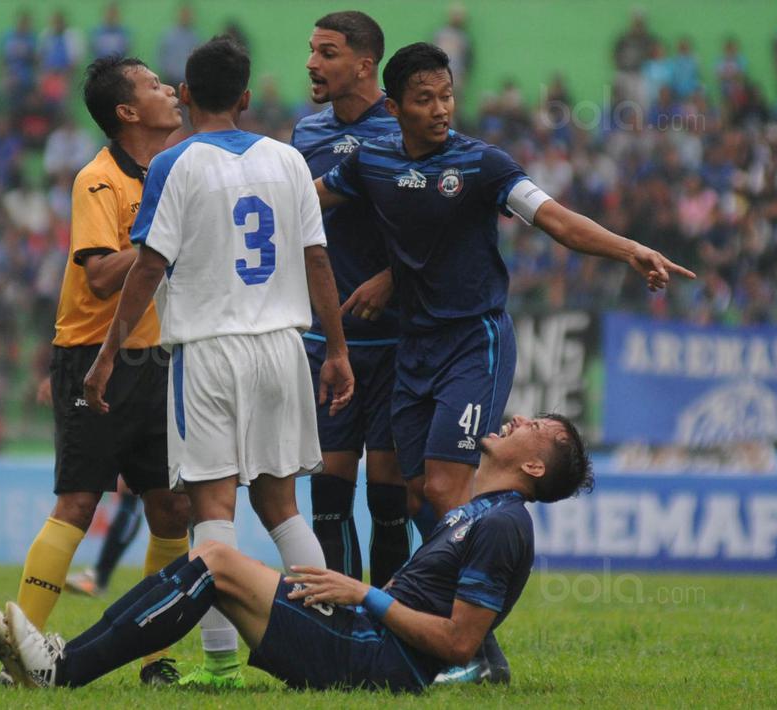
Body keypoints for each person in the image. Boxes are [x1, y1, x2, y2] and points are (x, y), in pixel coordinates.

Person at [314, 42, 694, 681]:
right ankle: (456, 641)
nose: (441, 109)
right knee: (414, 494)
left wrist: (629, 248)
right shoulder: (370, 160)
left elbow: (556, 220)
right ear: (394, 107)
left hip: (474, 340)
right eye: (425, 99)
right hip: (414, 345)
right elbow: (307, 199)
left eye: (447, 95)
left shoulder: (481, 164)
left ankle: (474, 650)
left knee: (445, 488)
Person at [80, 37, 355, 688]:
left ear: (184, 94)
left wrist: (106, 354)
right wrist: (338, 349)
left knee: (212, 512)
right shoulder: (288, 160)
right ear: (246, 98)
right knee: (284, 507)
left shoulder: (173, 164)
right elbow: (317, 259)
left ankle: (222, 664)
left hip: (208, 350)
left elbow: (148, 266)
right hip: (284, 346)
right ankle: (334, 649)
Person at [0, 413, 593, 692]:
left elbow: (459, 644)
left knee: (216, 562)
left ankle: (62, 670)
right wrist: (360, 600)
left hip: (376, 660)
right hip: (363, 638)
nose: (519, 419)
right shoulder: (477, 512)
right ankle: (59, 663)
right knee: (212, 565)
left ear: (535, 468)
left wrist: (364, 594)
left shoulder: (505, 525)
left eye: (537, 428)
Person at [7, 55, 191, 687]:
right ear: (128, 111)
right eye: (154, 86)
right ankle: (20, 651)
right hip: (93, 356)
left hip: (157, 358)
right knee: (80, 501)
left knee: (172, 508)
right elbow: (102, 275)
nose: (170, 91)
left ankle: (155, 658)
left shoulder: (171, 171)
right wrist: (161, 240)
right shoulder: (98, 179)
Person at [293, 11, 408, 590]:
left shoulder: (404, 130)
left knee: (390, 497)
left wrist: (393, 276)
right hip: (326, 340)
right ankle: (341, 625)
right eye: (312, 51)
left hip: (395, 341)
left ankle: (392, 624)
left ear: (365, 65)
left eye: (327, 53)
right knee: (329, 492)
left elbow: (440, 227)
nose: (312, 63)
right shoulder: (305, 134)